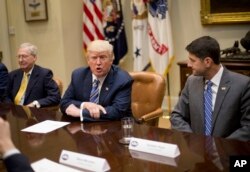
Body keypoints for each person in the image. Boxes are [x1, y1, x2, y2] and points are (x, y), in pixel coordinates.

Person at [170, 36, 250, 141]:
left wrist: (220, 146)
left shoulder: (242, 85)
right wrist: (193, 139)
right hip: (195, 151)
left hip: (226, 152)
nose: (188, 64)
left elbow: (247, 127)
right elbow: (177, 116)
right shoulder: (191, 81)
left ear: (207, 62)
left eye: (192, 60)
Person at [60, 40, 133, 121]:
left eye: (102, 57)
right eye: (94, 58)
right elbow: (64, 102)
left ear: (111, 60)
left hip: (116, 128)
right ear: (88, 60)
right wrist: (84, 105)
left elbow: (117, 111)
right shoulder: (78, 75)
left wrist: (80, 113)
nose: (98, 62)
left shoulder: (122, 79)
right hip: (85, 129)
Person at [7, 43, 61, 108]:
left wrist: (35, 103)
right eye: (19, 56)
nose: (20, 60)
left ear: (34, 58)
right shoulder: (13, 75)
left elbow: (55, 97)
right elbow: (6, 96)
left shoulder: (44, 74)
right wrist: (12, 108)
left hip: (34, 115)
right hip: (14, 114)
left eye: (24, 56)